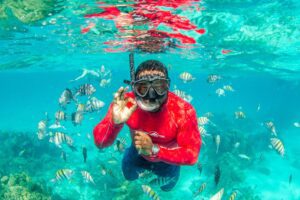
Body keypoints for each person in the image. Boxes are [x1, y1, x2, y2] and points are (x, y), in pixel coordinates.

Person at [93, 59, 201, 191]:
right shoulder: (127, 103)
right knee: (129, 177)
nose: (151, 95)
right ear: (134, 87)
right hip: (136, 153)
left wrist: (154, 149)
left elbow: (191, 155)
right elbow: (100, 143)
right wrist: (114, 124)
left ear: (167, 86)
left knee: (167, 188)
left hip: (168, 161)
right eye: (143, 87)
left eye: (159, 86)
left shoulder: (182, 111)